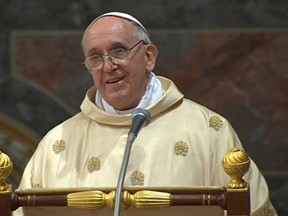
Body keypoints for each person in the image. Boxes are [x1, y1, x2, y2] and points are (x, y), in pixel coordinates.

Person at [14, 12, 277, 215]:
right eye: (95, 58)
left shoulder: (208, 130)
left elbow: (252, 207)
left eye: (119, 51)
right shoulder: (56, 144)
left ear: (149, 56)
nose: (108, 66)